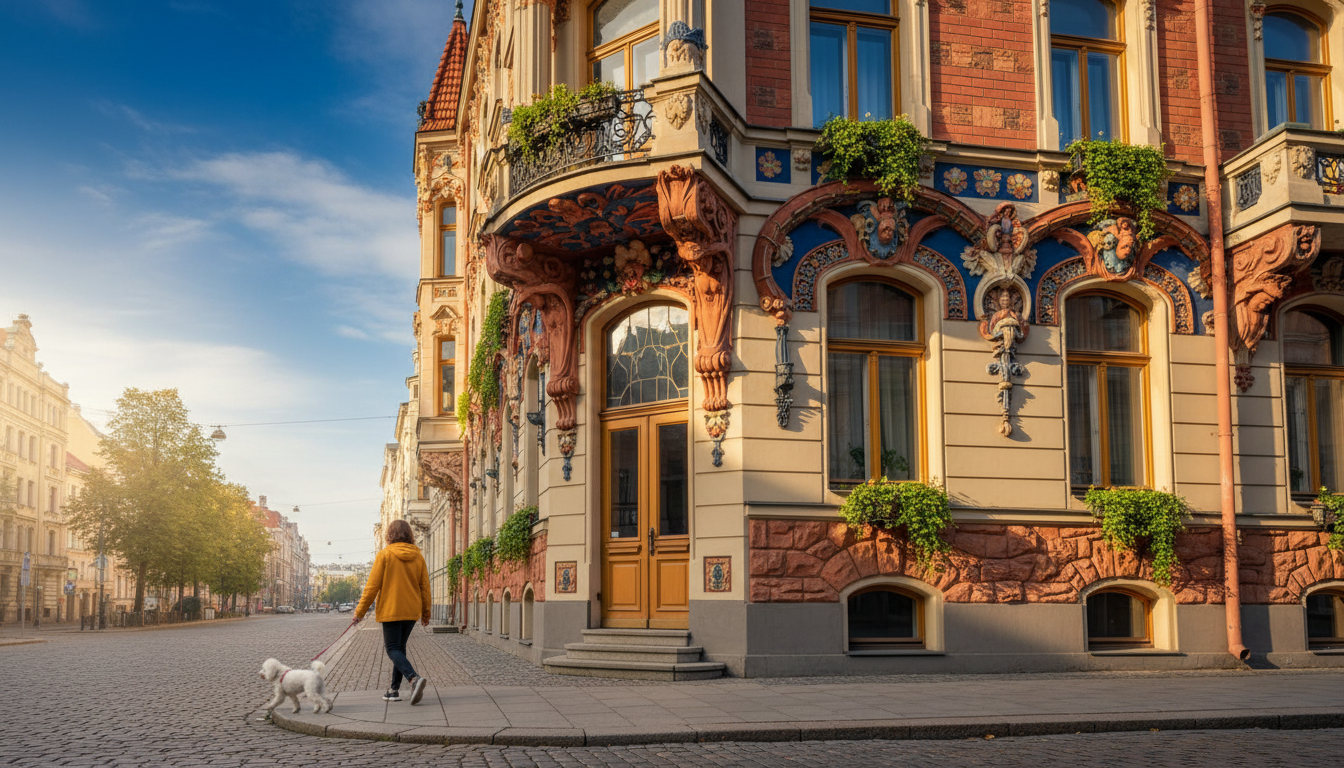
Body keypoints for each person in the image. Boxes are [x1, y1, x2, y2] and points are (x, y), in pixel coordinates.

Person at [353, 519, 432, 704]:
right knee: (400, 648)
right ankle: (393, 690)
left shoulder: (385, 555)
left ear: (390, 535)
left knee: (392, 648)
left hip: (391, 609)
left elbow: (372, 587)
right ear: (409, 535)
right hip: (411, 610)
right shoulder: (418, 556)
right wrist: (426, 613)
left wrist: (360, 612)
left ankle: (413, 678)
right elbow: (425, 587)